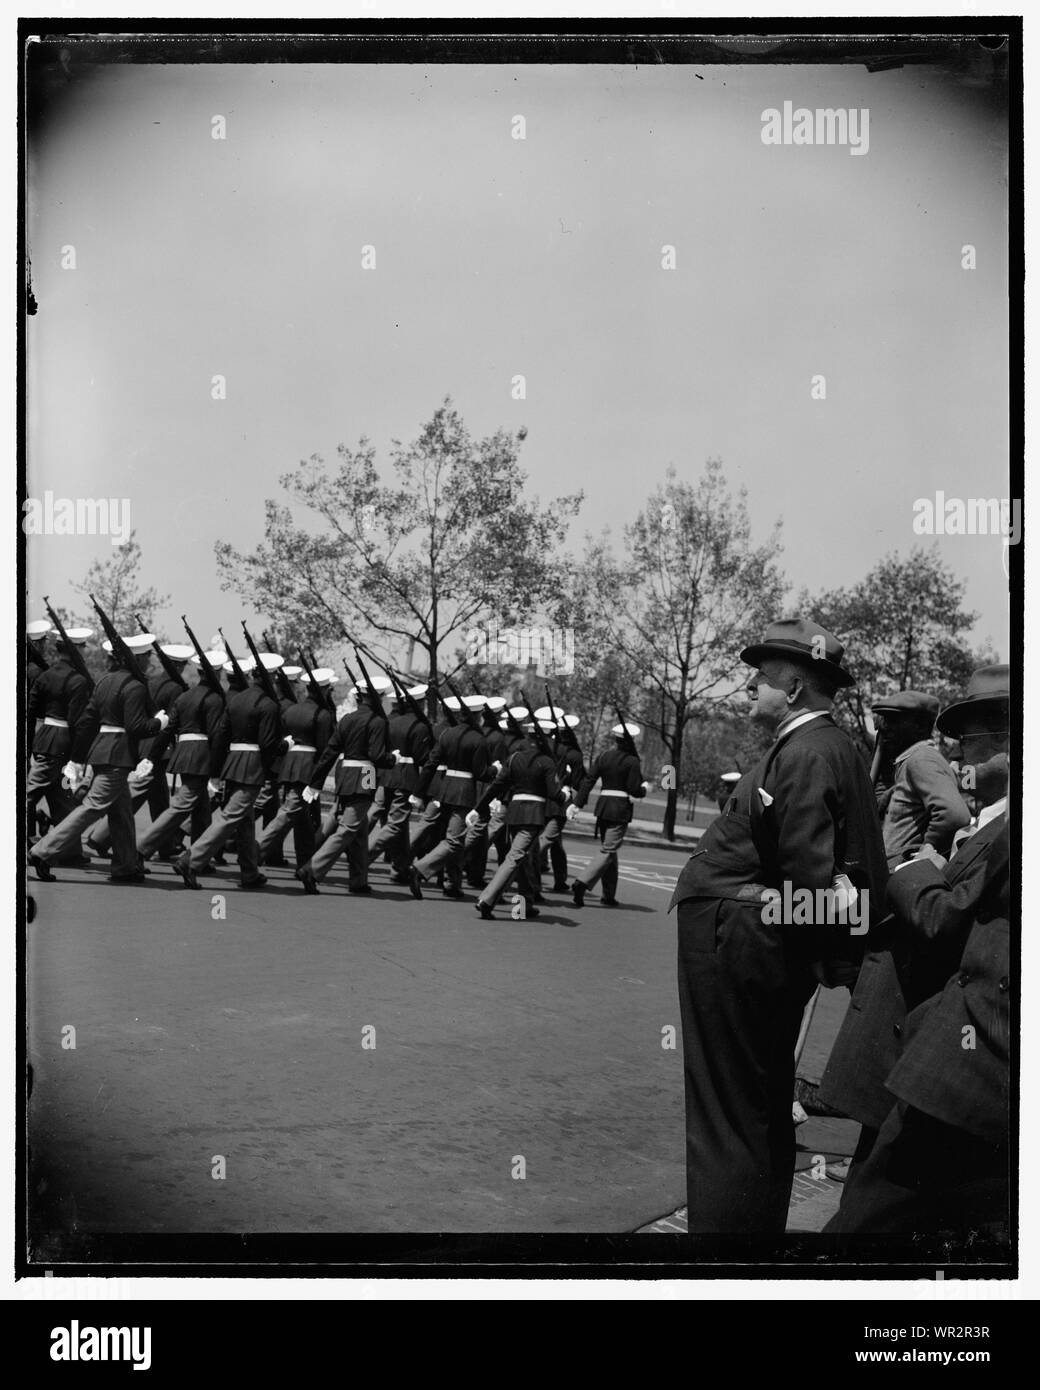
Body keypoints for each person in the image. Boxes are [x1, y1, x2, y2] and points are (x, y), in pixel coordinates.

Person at [669, 617, 888, 1235]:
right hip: (756, 939)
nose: (749, 692)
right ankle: (748, 1238)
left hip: (742, 944)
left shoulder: (807, 751)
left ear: (792, 687)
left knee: (729, 1111)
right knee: (755, 1105)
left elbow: (811, 882)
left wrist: (795, 938)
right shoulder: (829, 746)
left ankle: (726, 1255)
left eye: (759, 681)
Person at [820, 665, 1010, 1184]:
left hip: (947, 1049)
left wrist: (910, 863)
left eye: (972, 739)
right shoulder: (975, 804)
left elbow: (951, 912)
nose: (959, 753)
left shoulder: (930, 765)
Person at [824, 818, 1010, 1242]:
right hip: (977, 1071)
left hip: (968, 1067)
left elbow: (952, 917)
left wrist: (917, 870)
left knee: (863, 1228)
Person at [29, 632, 170, 883]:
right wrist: (159, 723)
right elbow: (136, 727)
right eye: (147, 656)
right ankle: (43, 851)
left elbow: (87, 721)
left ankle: (126, 865)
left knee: (122, 812)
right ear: (138, 659)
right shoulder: (135, 687)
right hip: (118, 754)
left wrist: (78, 758)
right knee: (92, 807)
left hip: (103, 751)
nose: (149, 661)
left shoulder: (104, 681)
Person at [172, 652, 283, 890]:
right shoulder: (268, 705)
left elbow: (221, 736)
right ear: (271, 676)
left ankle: (250, 872)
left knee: (245, 820)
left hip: (232, 763)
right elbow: (267, 744)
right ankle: (190, 861)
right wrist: (284, 747)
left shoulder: (236, 700)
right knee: (230, 817)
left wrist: (217, 769)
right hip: (251, 766)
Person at [87, 643, 193, 861]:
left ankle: (165, 844)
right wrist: (155, 754)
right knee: (136, 793)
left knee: (160, 798)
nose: (182, 669)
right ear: (177, 666)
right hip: (155, 746)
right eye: (181, 665)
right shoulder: (174, 688)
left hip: (146, 743)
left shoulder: (151, 681)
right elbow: (167, 724)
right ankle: (99, 837)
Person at [294, 673, 395, 895]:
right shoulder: (378, 722)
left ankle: (358, 879)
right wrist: (392, 759)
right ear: (377, 698)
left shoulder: (347, 719)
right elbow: (376, 756)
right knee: (349, 828)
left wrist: (316, 783)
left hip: (345, 775)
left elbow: (329, 753)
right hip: (366, 773)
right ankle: (311, 869)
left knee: (358, 829)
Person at [135, 648, 230, 861]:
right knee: (181, 806)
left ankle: (199, 857)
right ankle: (141, 847)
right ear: (218, 672)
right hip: (200, 756)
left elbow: (168, 729)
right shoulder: (215, 699)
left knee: (202, 810)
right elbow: (216, 737)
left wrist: (151, 756)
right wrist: (217, 770)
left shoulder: (186, 695)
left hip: (184, 753)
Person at [468, 709, 564, 920]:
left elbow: (496, 786)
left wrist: (479, 806)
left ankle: (524, 905)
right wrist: (564, 796)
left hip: (514, 813)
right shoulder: (546, 762)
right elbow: (553, 792)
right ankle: (487, 899)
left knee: (525, 859)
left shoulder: (514, 759)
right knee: (515, 857)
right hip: (533, 815)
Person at [870, 690, 969, 870]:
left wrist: (924, 854)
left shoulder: (921, 759)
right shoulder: (912, 761)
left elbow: (954, 815)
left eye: (894, 720)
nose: (885, 728)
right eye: (885, 720)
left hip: (902, 872)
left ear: (921, 726)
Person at [407, 695, 490, 900]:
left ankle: (452, 883)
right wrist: (495, 770)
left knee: (456, 840)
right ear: (478, 715)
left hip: (443, 790)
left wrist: (418, 792)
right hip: (463, 794)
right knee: (454, 841)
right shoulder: (478, 739)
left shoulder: (447, 734)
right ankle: (419, 869)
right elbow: (481, 773)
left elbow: (431, 764)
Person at [257, 667, 337, 869]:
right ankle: (254, 851)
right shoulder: (324, 715)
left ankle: (305, 863)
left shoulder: (292, 709)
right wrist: (317, 781)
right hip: (307, 769)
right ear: (325, 690)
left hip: (289, 766)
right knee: (289, 812)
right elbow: (324, 751)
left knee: (304, 820)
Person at [26, 625, 94, 860]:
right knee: (29, 794)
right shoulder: (78, 681)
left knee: (63, 798)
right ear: (76, 650)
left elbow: (31, 711)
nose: (85, 650)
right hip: (62, 749)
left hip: (46, 741)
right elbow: (78, 723)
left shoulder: (45, 675)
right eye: (83, 647)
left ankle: (71, 851)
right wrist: (77, 758)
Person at [568, 721, 649, 908]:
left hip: (603, 807)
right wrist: (643, 789)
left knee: (610, 852)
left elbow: (589, 781)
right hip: (619, 808)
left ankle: (608, 895)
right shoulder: (632, 761)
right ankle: (582, 882)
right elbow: (633, 789)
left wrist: (577, 803)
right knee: (608, 850)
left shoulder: (604, 756)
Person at [367, 681, 433, 883]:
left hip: (387, 775)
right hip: (405, 777)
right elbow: (422, 758)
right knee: (395, 824)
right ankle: (362, 858)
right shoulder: (419, 726)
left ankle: (400, 868)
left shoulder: (392, 721)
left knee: (400, 825)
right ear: (421, 703)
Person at [536, 708, 585, 893]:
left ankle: (560, 879)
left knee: (555, 843)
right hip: (560, 800)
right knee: (548, 840)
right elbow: (580, 781)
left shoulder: (544, 747)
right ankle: (525, 868)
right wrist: (577, 802)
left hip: (544, 798)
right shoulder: (572, 754)